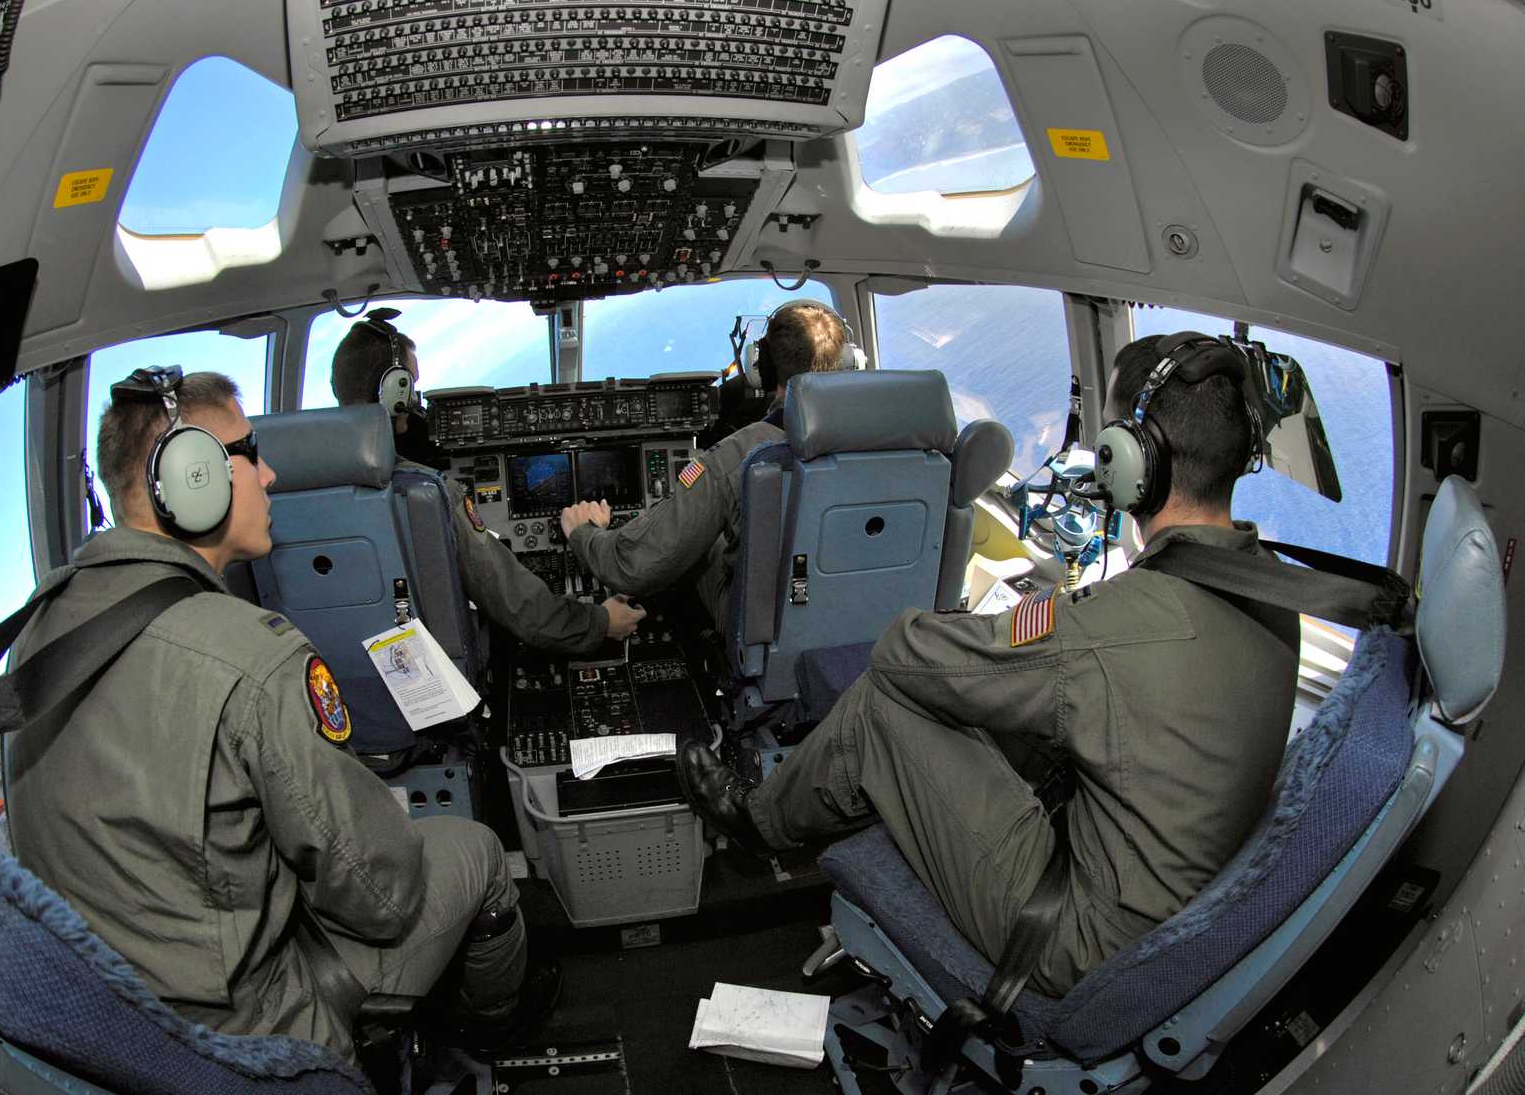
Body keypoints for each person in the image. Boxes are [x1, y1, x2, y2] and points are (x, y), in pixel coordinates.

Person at [677, 333, 1302, 997]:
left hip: (1079, 944)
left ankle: (758, 823)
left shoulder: (1122, 623)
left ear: (1133, 458)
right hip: (1172, 919)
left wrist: (937, 625)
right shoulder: (1274, 589)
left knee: (885, 703)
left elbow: (903, 657)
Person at [2, 368, 548, 1063]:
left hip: (113, 1028)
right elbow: (384, 894)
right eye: (248, 452)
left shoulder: (40, 637)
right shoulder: (249, 656)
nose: (269, 476)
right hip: (257, 1025)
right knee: (474, 849)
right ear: (192, 476)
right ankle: (497, 1021)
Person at [330, 313, 644, 652]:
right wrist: (601, 621)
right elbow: (517, 605)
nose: (414, 400)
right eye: (412, 386)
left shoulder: (287, 483)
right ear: (394, 389)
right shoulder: (428, 491)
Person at [557, 300, 851, 625]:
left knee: (699, 546)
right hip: (858, 611)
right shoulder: (885, 433)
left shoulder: (742, 453)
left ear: (761, 365)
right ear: (846, 362)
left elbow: (634, 567)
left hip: (773, 630)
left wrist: (584, 533)